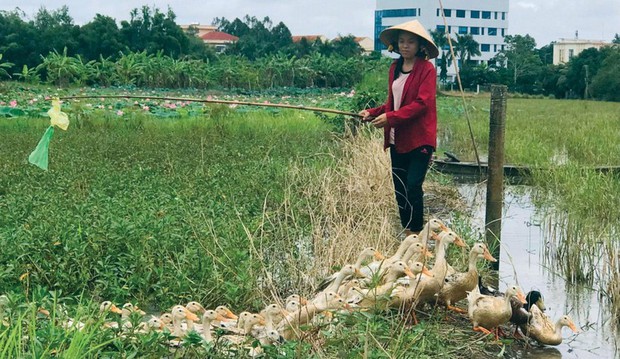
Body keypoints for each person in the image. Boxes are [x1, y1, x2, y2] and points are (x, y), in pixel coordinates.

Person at [358, 20, 439, 237]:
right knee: (400, 189)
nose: (405, 45)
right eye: (402, 41)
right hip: (398, 137)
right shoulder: (394, 68)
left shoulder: (427, 69)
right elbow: (394, 103)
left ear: (420, 45)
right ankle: (408, 234)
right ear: (396, 45)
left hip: (420, 137)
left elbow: (422, 104)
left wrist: (390, 117)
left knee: (413, 186)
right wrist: (373, 112)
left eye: (410, 42)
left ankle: (416, 231)